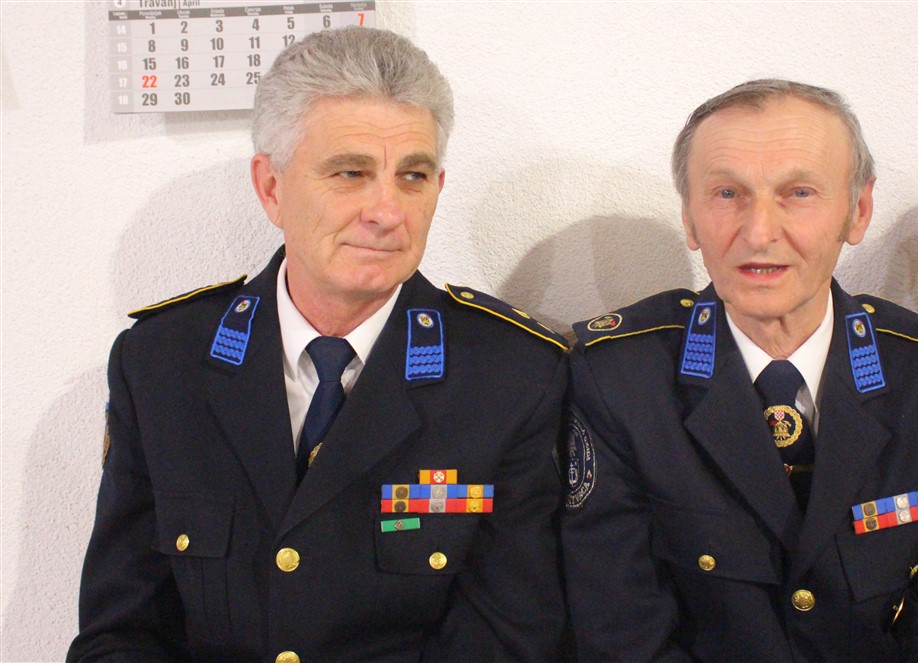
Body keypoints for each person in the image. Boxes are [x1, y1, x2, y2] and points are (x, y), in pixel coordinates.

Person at [69, 27, 568, 662]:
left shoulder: (510, 376)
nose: (388, 211)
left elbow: (508, 639)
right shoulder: (163, 363)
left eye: (412, 176)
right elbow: (121, 630)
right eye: (350, 173)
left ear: (438, 188)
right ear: (271, 188)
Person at [561, 79, 918, 661]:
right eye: (727, 193)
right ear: (690, 219)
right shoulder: (619, 381)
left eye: (799, 192)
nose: (759, 232)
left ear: (858, 211)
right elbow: (622, 633)